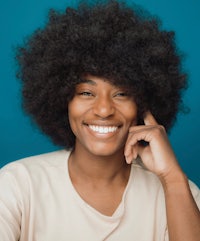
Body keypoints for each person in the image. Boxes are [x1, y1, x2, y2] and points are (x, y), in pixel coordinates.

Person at [0, 0, 199, 240]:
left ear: (143, 105)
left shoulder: (179, 193)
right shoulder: (18, 184)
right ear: (63, 100)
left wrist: (173, 179)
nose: (104, 110)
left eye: (122, 93)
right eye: (86, 93)